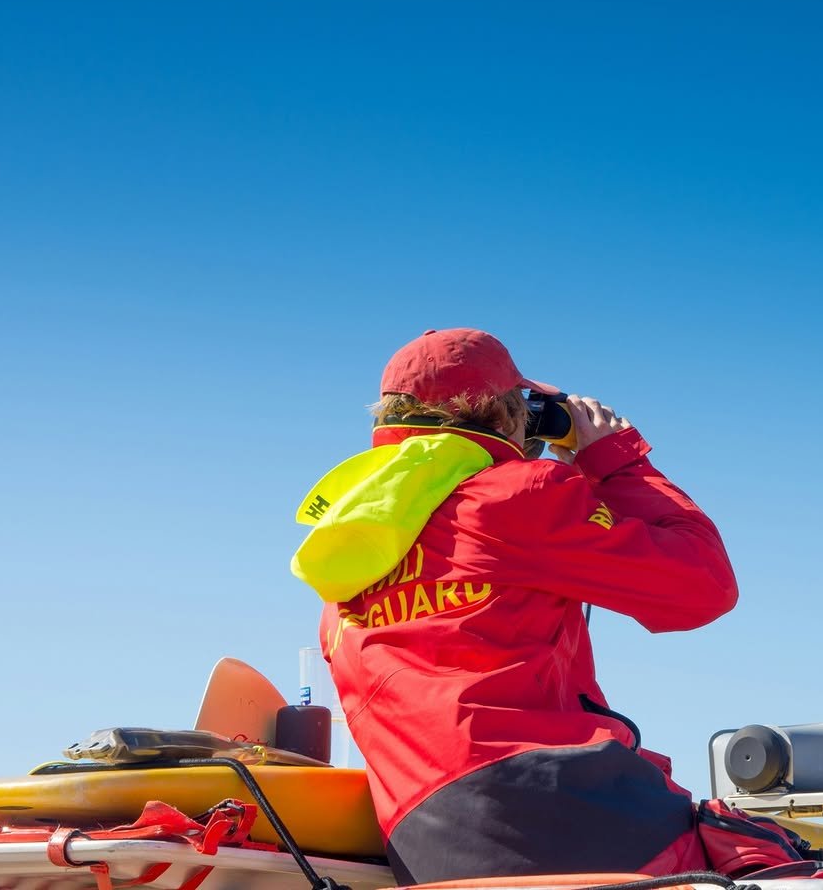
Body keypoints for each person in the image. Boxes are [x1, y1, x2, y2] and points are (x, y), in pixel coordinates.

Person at [292, 328, 738, 884]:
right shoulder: (517, 495)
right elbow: (701, 586)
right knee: (761, 852)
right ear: (504, 416)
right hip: (559, 803)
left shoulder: (348, 555)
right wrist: (616, 463)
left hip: (427, 836)